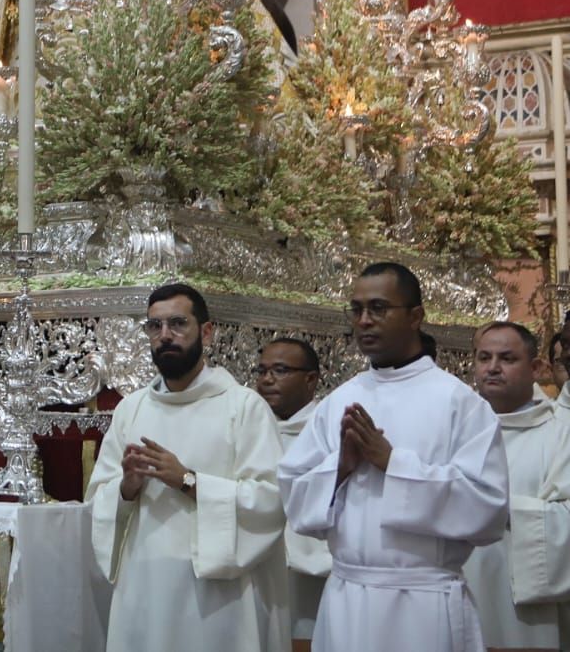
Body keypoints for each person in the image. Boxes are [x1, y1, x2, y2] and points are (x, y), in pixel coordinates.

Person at [280, 262, 509, 652]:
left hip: (424, 604)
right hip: (347, 598)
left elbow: (488, 508)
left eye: (379, 308)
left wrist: (393, 463)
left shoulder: (460, 404)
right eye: (356, 310)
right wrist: (341, 468)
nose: (364, 321)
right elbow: (293, 494)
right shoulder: (338, 402)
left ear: (416, 315)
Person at [86, 282, 288, 652]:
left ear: (206, 332)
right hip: (144, 583)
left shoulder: (243, 407)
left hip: (215, 594)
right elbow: (99, 499)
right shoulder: (131, 409)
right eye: (155, 326)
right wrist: (127, 487)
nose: (165, 336)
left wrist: (188, 480)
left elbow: (271, 501)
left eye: (178, 324)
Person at [461, 322, 570, 651]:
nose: (492, 368)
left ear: (536, 368)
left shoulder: (560, 432)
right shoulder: (453, 428)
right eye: (484, 358)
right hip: (452, 593)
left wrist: (498, 506)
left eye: (507, 359)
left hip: (523, 609)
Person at [256, 338, 330, 648]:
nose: (267, 379)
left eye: (280, 370)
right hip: (258, 566)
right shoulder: (250, 427)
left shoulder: (328, 428)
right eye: (262, 371)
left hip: (313, 577)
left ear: (311, 379)